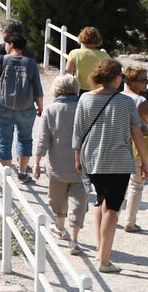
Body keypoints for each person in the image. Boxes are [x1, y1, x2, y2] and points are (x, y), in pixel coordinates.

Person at [73, 58, 148, 272]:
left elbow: (77, 133)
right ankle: (104, 261)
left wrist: (77, 158)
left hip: (91, 160)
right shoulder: (125, 102)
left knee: (101, 202)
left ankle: (100, 248)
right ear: (117, 78)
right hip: (118, 162)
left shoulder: (85, 99)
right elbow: (137, 135)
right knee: (112, 210)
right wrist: (145, 161)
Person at [33, 74, 88, 251]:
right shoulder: (84, 108)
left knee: (57, 200)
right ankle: (74, 239)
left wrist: (37, 162)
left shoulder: (50, 110)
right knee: (79, 202)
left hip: (57, 166)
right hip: (81, 165)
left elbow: (43, 139)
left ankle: (60, 227)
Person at [0, 34, 43, 180]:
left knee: (4, 139)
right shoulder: (30, 63)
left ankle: (7, 177)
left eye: (6, 44)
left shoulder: (1, 60)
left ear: (10, 44)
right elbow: (38, 88)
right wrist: (40, 106)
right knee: (25, 138)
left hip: (2, 106)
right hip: (26, 107)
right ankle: (22, 173)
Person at [121, 65, 148, 232]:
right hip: (138, 145)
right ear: (132, 82)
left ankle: (114, 215)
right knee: (136, 184)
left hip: (119, 144)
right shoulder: (141, 101)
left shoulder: (118, 97)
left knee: (120, 183)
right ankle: (130, 221)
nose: (146, 83)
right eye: (143, 80)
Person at [64, 26, 110, 95]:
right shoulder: (105, 56)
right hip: (98, 90)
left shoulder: (75, 53)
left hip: (79, 89)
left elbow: (68, 74)